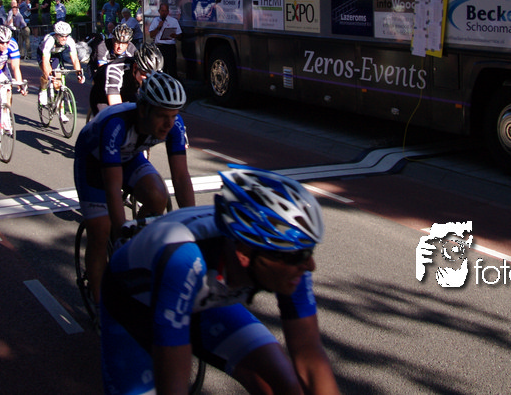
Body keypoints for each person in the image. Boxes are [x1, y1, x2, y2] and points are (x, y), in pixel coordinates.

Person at [100, 167, 337, 395]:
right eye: (299, 256)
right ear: (244, 253)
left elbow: (309, 356)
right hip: (133, 307)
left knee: (282, 383)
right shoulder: (184, 259)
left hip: (200, 300)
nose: (310, 266)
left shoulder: (291, 259)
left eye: (309, 252)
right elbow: (173, 377)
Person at [74, 71, 194, 305]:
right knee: (100, 231)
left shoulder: (174, 125)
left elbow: (181, 177)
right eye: (162, 116)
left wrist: (193, 224)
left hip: (129, 155)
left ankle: (136, 246)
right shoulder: (115, 125)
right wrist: (120, 233)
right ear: (143, 110)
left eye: (174, 115)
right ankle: (100, 307)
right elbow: (112, 187)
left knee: (158, 196)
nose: (169, 124)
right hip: (93, 161)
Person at [89, 42, 164, 118]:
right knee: (114, 119)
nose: (149, 78)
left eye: (153, 75)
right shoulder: (115, 70)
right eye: (145, 74)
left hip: (129, 89)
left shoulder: (155, 75)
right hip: (102, 94)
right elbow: (116, 107)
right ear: (135, 67)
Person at [39, 20, 86, 114]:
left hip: (56, 55)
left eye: (66, 36)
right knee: (47, 75)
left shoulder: (70, 41)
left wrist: (79, 74)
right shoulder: (50, 41)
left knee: (58, 80)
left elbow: (75, 59)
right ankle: (43, 90)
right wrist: (49, 75)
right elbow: (45, 61)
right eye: (61, 36)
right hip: (43, 54)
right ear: (56, 35)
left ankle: (60, 108)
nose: (64, 38)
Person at [148, 3, 182, 80]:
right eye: (162, 11)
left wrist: (175, 36)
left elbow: (180, 35)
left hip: (170, 47)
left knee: (172, 69)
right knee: (161, 69)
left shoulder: (173, 21)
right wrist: (158, 27)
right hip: (160, 47)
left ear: (168, 12)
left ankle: (173, 84)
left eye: (166, 11)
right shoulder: (155, 21)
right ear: (159, 11)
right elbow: (151, 35)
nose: (164, 13)